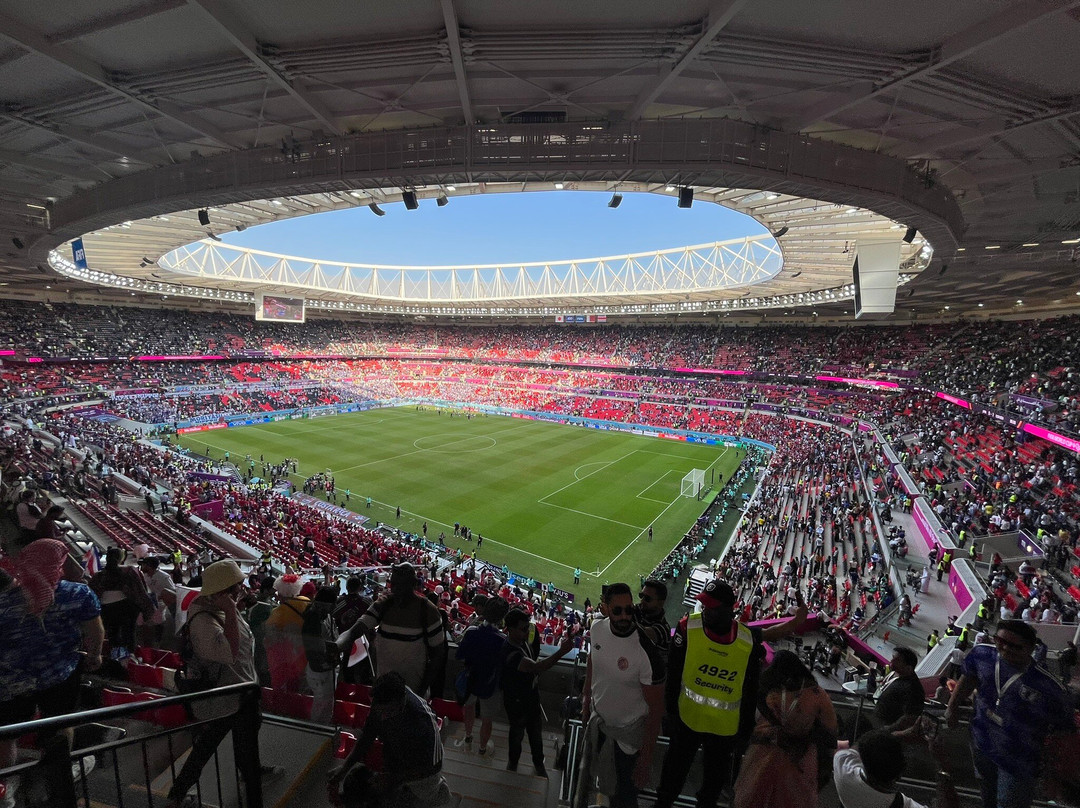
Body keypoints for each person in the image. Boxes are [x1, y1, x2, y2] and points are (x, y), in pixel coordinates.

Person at [653, 579, 807, 808]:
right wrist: (671, 711)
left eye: (711, 607)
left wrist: (800, 618)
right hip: (687, 720)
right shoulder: (688, 627)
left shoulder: (745, 638)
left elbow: (770, 638)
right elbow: (674, 671)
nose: (705, 611)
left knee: (712, 785)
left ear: (728, 610)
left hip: (723, 729)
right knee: (672, 776)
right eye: (704, 605)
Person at [166, 560, 281, 808]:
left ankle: (179, 791)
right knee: (210, 748)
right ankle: (180, 793)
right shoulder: (204, 619)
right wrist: (231, 611)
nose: (242, 589)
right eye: (238, 585)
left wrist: (232, 608)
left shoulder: (219, 609)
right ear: (225, 589)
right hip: (227, 696)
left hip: (242, 690)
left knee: (238, 744)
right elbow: (228, 654)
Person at [0, 540, 104, 802]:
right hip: (61, 675)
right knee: (60, 726)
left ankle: (7, 786)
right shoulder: (78, 594)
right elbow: (96, 632)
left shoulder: (4, 599)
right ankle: (59, 773)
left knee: (8, 735)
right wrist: (94, 656)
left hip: (11, 680)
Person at [945, 619, 1074, 808]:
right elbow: (968, 678)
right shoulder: (981, 655)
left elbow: (1064, 730)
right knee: (987, 793)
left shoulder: (1050, 687)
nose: (1005, 648)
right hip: (982, 742)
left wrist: (1054, 770)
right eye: (1000, 641)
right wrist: (952, 706)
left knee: (1009, 803)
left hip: (1019, 760)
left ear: (1030, 648)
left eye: (1014, 646)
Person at [581, 582, 666, 808]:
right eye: (617, 610)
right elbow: (593, 661)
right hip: (599, 725)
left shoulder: (645, 651)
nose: (624, 616)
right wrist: (586, 698)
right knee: (602, 779)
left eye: (629, 609)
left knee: (625, 797)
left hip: (628, 741)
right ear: (606, 608)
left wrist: (646, 758)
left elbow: (656, 710)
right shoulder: (597, 629)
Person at [327, 672, 452, 808]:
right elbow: (367, 736)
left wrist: (393, 778)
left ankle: (437, 794)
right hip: (396, 760)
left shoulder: (422, 723)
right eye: (379, 712)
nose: (382, 717)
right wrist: (345, 768)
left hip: (422, 776)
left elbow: (432, 767)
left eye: (388, 712)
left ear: (402, 702)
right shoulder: (382, 702)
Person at [733, 650, 838, 808]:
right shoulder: (817, 694)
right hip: (800, 755)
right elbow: (831, 731)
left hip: (763, 749)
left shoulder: (766, 689)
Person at [337, 563, 444, 696]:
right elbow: (356, 629)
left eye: (401, 585)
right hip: (383, 689)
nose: (395, 590)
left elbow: (438, 655)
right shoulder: (383, 604)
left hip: (413, 691)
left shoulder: (429, 611)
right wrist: (337, 646)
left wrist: (422, 689)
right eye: (393, 584)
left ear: (413, 585)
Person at [501, 608, 574, 776]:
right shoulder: (511, 653)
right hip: (517, 701)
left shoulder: (519, 642)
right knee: (518, 733)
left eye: (527, 627)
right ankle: (513, 764)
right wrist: (562, 651)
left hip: (529, 697)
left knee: (535, 734)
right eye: (523, 629)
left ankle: (537, 763)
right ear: (510, 629)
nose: (528, 632)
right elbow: (537, 667)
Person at [833, 726, 959, 808]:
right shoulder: (902, 805)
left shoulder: (844, 772)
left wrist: (898, 735)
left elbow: (861, 745)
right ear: (900, 773)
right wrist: (942, 763)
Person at [454, 597, 509, 757]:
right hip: (490, 684)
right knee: (487, 718)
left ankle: (468, 737)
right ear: (502, 618)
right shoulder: (502, 640)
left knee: (469, 707)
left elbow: (459, 655)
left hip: (470, 679)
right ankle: (483, 748)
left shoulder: (471, 632)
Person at [89, 546, 154, 656]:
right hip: (127, 609)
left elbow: (92, 593)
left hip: (106, 609)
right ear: (121, 558)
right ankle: (128, 659)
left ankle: (115, 658)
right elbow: (140, 591)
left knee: (112, 636)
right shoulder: (129, 571)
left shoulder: (98, 576)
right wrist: (147, 610)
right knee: (129, 634)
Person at [263, 574, 311, 692]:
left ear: (279, 594)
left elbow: (270, 641)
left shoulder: (277, 613)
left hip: (290, 662)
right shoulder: (308, 603)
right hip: (309, 656)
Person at [302, 586, 340, 724]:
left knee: (327, 703)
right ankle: (317, 730)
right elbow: (313, 650)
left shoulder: (327, 617)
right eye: (333, 603)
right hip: (319, 670)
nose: (335, 605)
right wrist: (325, 663)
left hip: (328, 667)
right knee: (321, 705)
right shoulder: (312, 620)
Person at [872, 647, 924, 732]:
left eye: (897, 660)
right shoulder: (895, 675)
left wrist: (888, 730)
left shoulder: (913, 688)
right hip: (880, 725)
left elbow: (909, 717)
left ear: (909, 667)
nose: (891, 662)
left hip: (887, 733)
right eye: (893, 658)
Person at [636, 578, 671, 652]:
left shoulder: (664, 629)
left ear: (660, 603)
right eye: (641, 595)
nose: (642, 600)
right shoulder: (638, 609)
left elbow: (643, 634)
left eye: (647, 599)